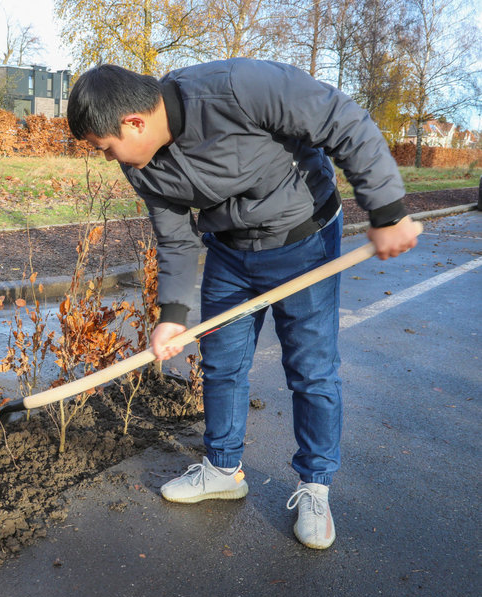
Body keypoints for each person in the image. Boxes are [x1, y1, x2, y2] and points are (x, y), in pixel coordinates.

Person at [67, 59, 420, 550]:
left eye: (106, 148)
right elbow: (174, 239)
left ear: (134, 122)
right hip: (230, 253)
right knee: (222, 365)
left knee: (312, 369)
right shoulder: (141, 164)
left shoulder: (236, 88)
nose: (110, 159)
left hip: (303, 241)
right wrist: (172, 317)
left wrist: (386, 209)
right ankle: (223, 469)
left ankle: (315, 487)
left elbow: (343, 119)